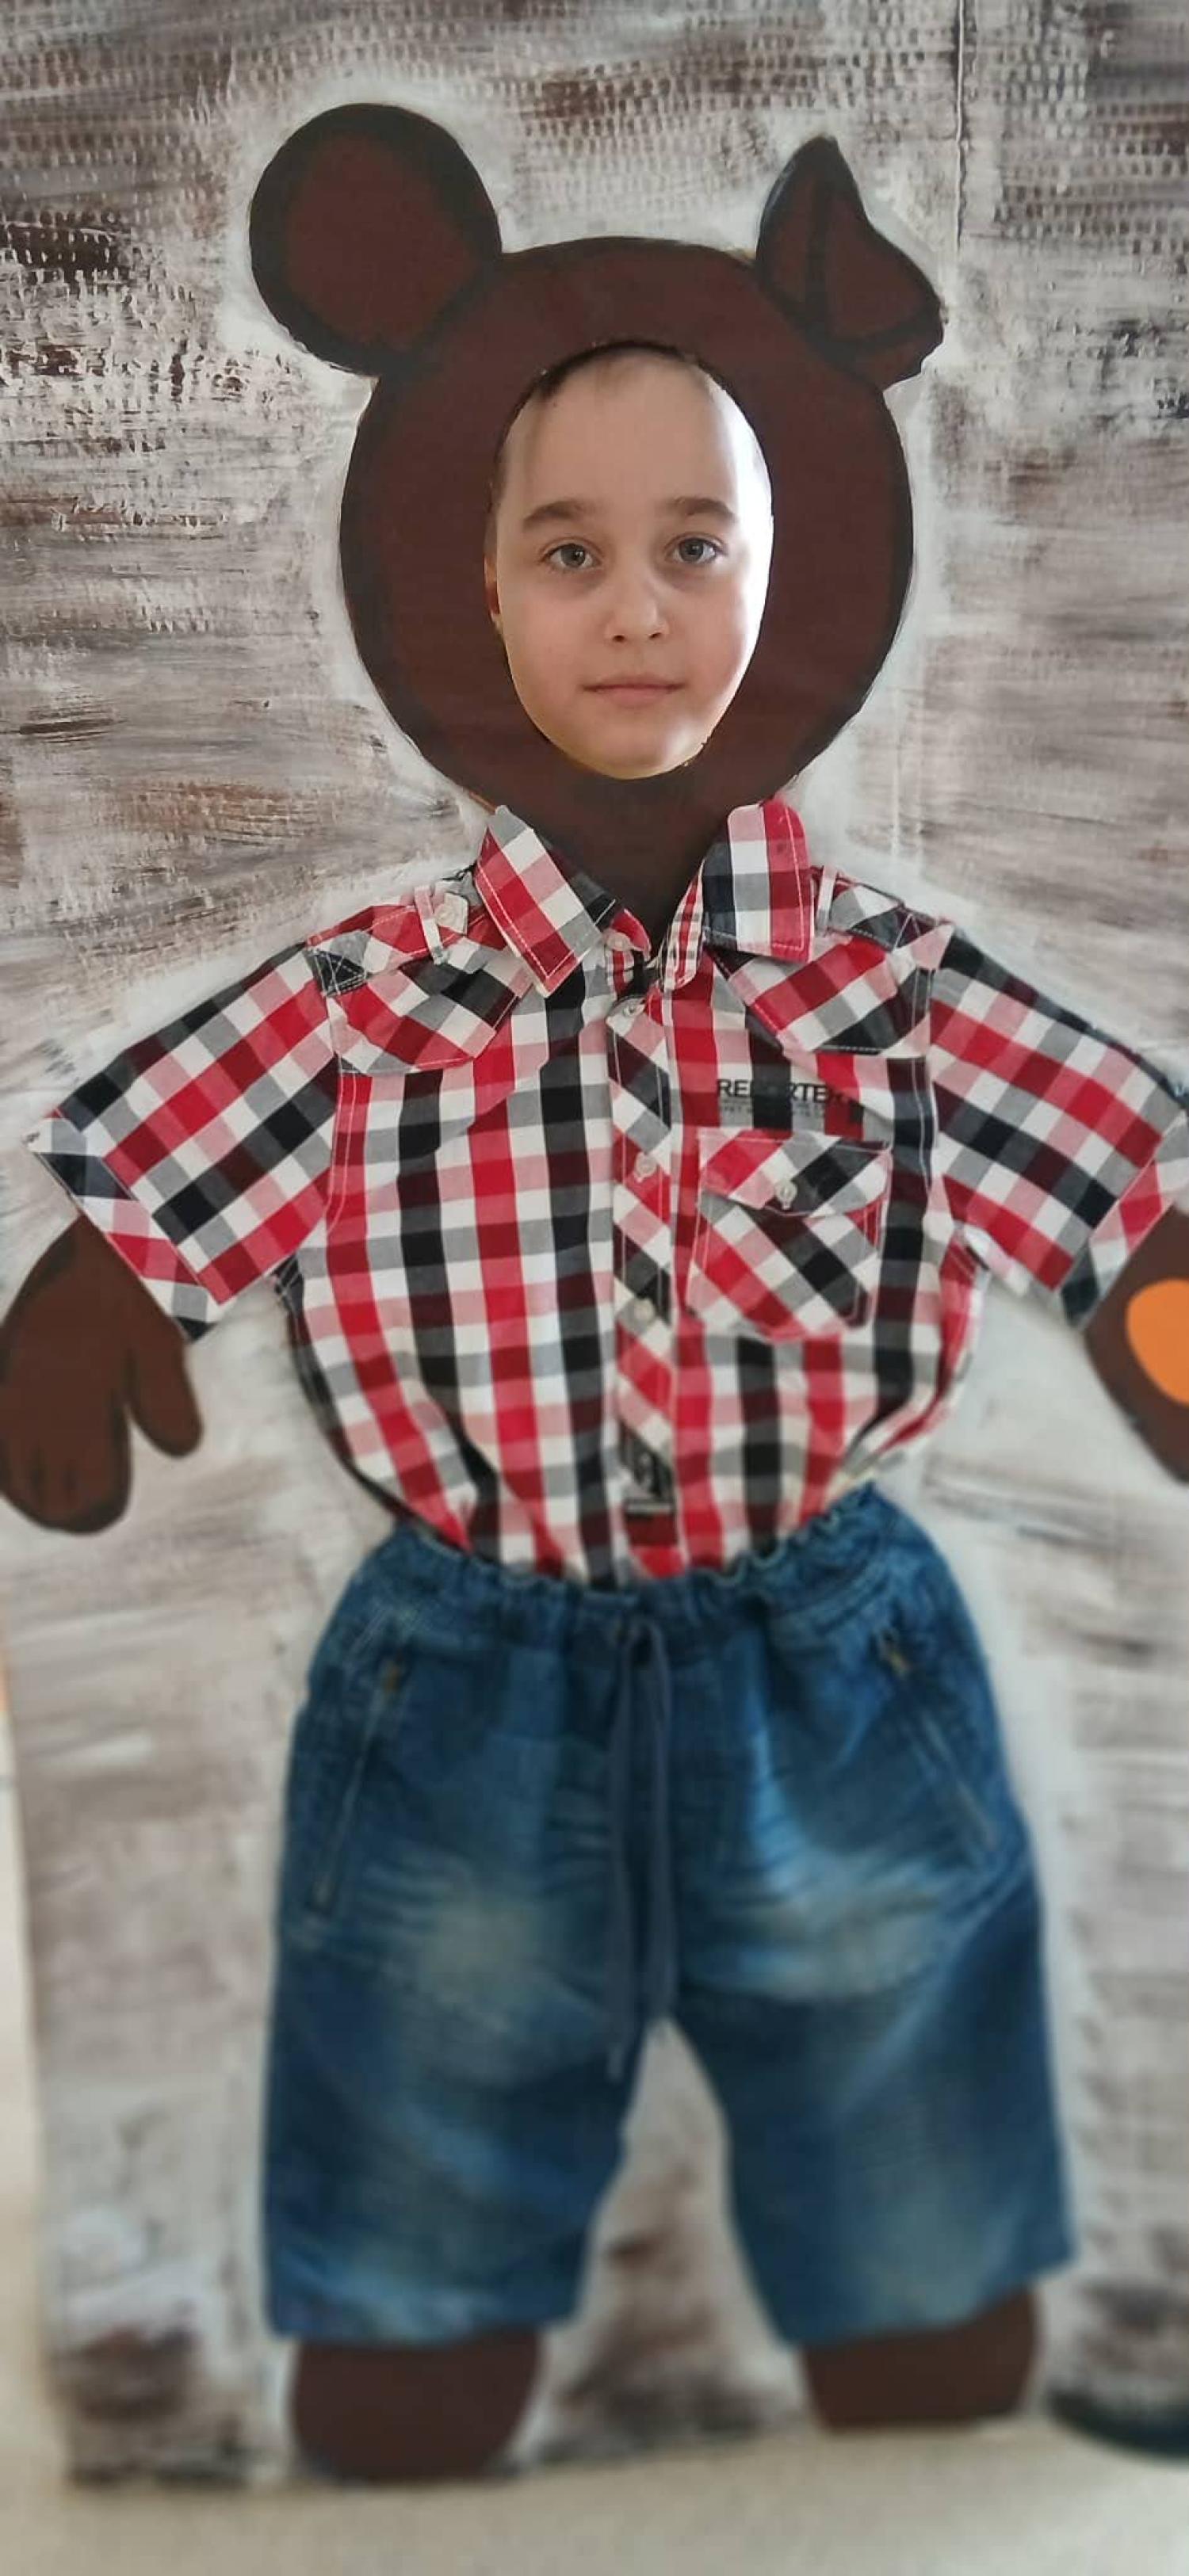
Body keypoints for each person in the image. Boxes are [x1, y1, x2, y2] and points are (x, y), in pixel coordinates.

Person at [4, 343, 1188, 2483]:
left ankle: (927, 2349)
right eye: (571, 555)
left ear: (783, 575)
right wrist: (83, 1321)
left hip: (831, 1657)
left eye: (693, 548)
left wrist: (1164, 1314)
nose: (636, 610)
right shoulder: (373, 1006)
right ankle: (414, 2362)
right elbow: (160, 1193)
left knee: (899, 2074)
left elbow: (1119, 1192)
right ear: (480, 590)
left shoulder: (887, 994)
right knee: (421, 2102)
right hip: (464, 1674)